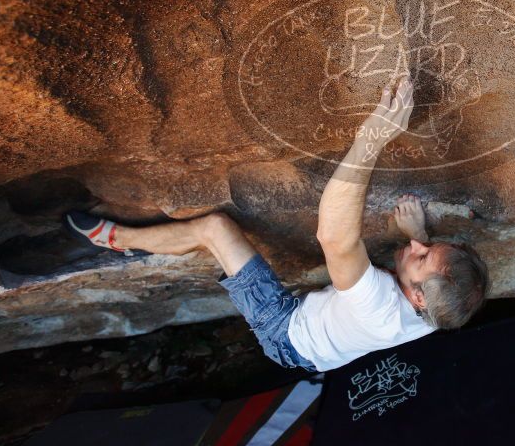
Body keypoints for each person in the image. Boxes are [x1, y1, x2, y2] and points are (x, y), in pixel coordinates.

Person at [64, 77, 490, 372]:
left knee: (214, 228)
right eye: (428, 248)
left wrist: (374, 136)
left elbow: (334, 236)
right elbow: (437, 284)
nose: (415, 248)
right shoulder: (443, 310)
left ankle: (120, 239)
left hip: (286, 335)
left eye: (420, 256)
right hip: (325, 344)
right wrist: (420, 238)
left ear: (417, 297)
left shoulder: (380, 309)